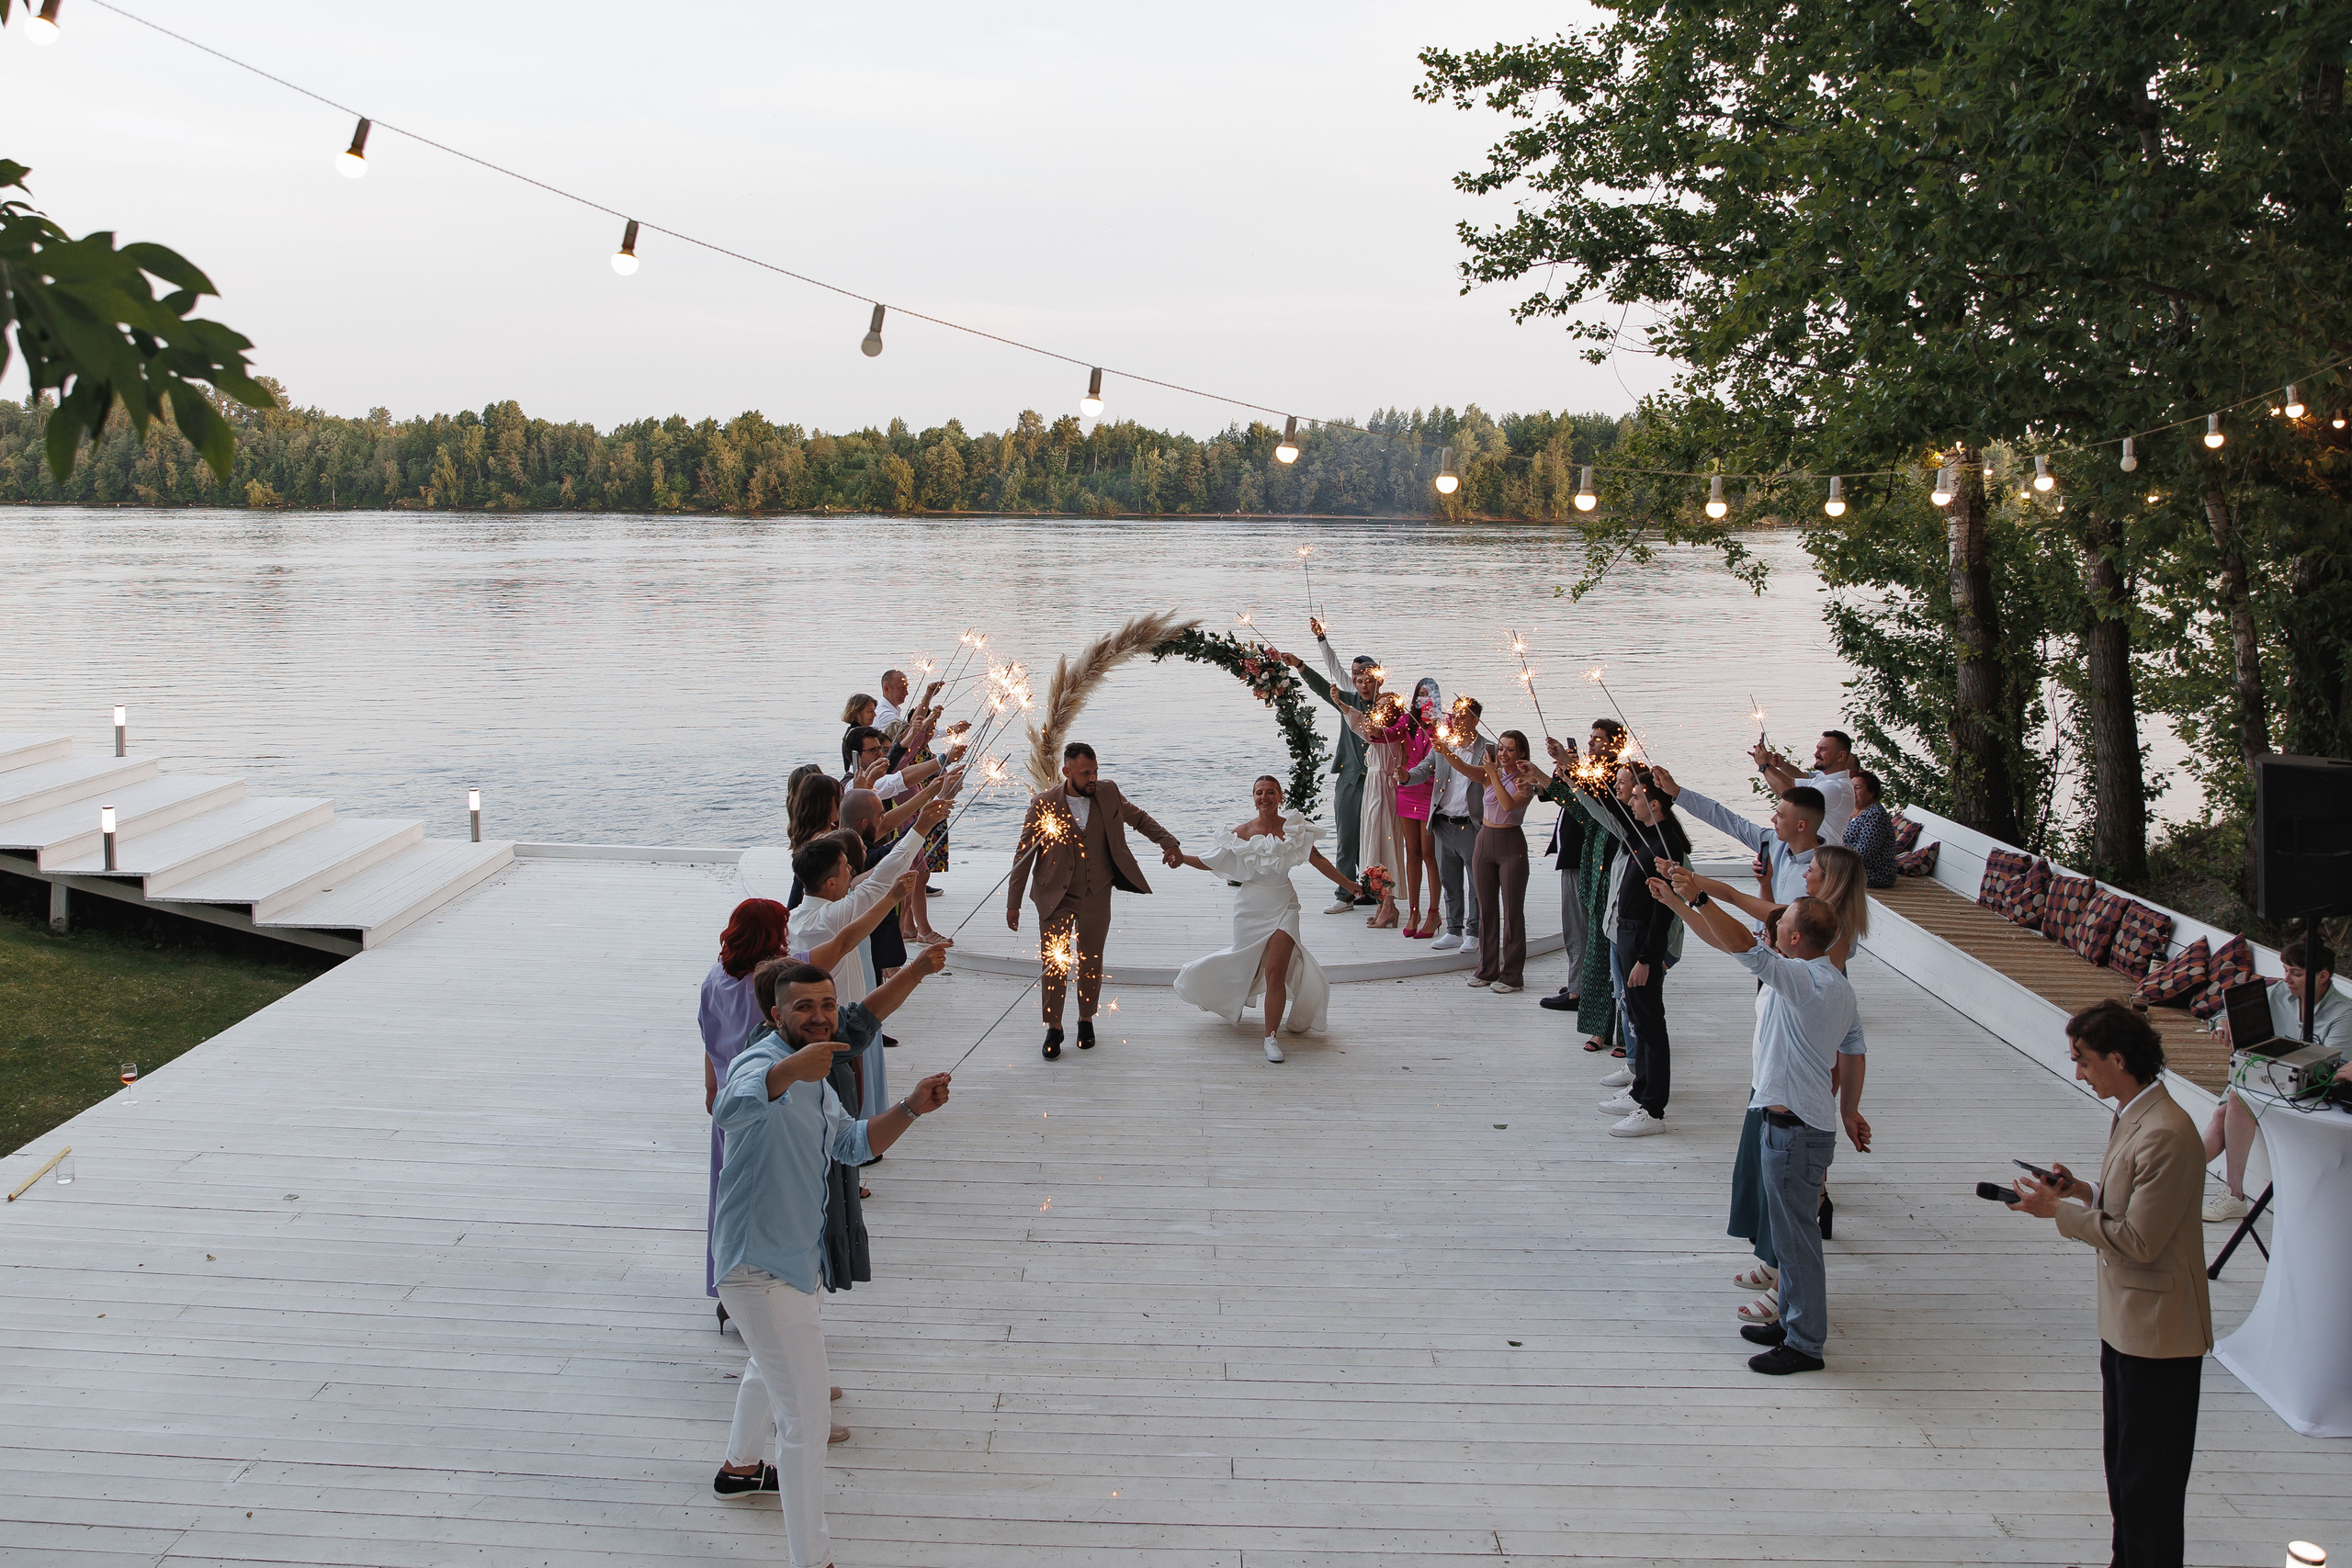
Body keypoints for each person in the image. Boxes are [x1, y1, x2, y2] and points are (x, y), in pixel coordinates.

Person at [707, 958, 953, 1566]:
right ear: (774, 1015)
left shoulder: (818, 1071)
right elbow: (730, 1109)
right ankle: (812, 1558)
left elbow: (851, 1143)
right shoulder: (761, 1063)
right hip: (759, 1268)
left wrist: (913, 1107)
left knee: (771, 1367)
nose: (819, 1016)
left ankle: (738, 1467)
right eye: (803, 1007)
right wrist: (792, 1069)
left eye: (825, 1004)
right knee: (806, 1423)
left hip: (796, 1259)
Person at [2011, 999, 2212, 1568]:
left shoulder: (2168, 1133)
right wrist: (2079, 1192)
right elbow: (2131, 1207)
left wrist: (2057, 1214)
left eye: (2083, 1059)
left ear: (2118, 1059)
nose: (2077, 1071)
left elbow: (2143, 1242)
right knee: (2125, 1470)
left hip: (2160, 1334)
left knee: (2149, 1484)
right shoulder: (2135, 1114)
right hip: (2128, 1323)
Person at [1651, 872, 1868, 1374]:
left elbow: (1741, 944)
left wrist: (1699, 895)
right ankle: (1790, 1320)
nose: (1768, 928)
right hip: (1801, 1126)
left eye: (1779, 923)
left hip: (1795, 1132)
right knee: (1791, 1235)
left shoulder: (1804, 981)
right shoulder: (1832, 983)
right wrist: (1851, 1110)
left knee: (1797, 1243)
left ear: (1795, 939)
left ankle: (1805, 1343)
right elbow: (1853, 1051)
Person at [698, 895, 907, 1314]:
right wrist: (894, 897)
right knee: (779, 1197)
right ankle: (769, 1296)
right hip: (774, 1100)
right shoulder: (782, 981)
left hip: (731, 1099)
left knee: (729, 1200)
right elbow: (847, 939)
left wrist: (713, 1092)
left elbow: (708, 1042)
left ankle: (728, 1294)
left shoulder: (713, 980)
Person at [1007, 742, 1182, 1059]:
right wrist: (1013, 903)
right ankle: (1054, 1026)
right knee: (1055, 962)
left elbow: (1139, 818)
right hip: (1054, 895)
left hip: (1096, 891)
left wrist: (1168, 842)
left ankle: (1086, 1020)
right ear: (1067, 772)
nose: (1092, 777)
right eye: (1085, 772)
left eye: (1095, 770)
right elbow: (1023, 855)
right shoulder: (1043, 803)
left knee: (1091, 960)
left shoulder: (1108, 792)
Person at [1170, 775, 1364, 1061]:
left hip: (1284, 904)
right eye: (1259, 793)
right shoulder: (1242, 832)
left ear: (1280, 796)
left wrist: (1349, 884)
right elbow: (1211, 859)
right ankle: (1210, 984)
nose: (1265, 797)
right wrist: (1181, 857)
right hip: (1250, 908)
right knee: (1244, 964)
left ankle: (1270, 1038)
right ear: (1253, 798)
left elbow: (1318, 859)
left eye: (1270, 792)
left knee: (1275, 972)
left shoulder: (1294, 829)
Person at [793, 784, 951, 1113]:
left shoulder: (797, 917)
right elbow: (881, 879)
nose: (852, 871)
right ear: (831, 883)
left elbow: (873, 880)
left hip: (832, 1022)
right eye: (845, 868)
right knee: (846, 1099)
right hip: (838, 1027)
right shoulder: (829, 919)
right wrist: (920, 828)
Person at [2200, 934, 2348, 1221]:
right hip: (2264, 1076)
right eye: (2285, 971)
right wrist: (2222, 1023)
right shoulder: (2279, 992)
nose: (2287, 979)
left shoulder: (2344, 1013)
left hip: (2309, 1091)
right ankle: (2175, 1178)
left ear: (2323, 976)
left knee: (2237, 1096)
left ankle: (2227, 1192)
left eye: (2296, 973)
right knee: (2226, 1109)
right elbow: (2224, 1011)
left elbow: (2334, 1068)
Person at [1590, 770, 1690, 1136]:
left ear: (1656, 804)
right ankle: (1641, 1088)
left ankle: (1653, 1108)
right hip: (1626, 935)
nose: (1630, 802)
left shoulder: (1667, 847)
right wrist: (1576, 773)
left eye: (1636, 798)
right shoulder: (1642, 833)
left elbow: (1664, 910)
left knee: (1650, 1024)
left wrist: (1648, 959)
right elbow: (1611, 810)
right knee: (1636, 1016)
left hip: (1642, 942)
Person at [1432, 726, 1541, 994]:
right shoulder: (1488, 774)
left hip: (1510, 843)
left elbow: (1508, 805)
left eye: (1510, 749)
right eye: (1501, 748)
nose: (1503, 753)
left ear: (1522, 754)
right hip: (1485, 841)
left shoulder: (1524, 782)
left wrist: (1492, 774)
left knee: (1512, 911)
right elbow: (1464, 768)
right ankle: (1487, 968)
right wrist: (1445, 750)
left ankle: (1513, 975)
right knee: (1487, 909)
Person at [1281, 623, 1377, 911]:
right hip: (1350, 777)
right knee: (1347, 838)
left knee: (1374, 838)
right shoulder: (1347, 700)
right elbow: (1325, 687)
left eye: (1368, 678)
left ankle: (1373, 890)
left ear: (1378, 680)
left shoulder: (1388, 707)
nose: (1362, 682)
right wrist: (1300, 665)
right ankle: (1345, 894)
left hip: (1377, 780)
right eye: (1358, 677)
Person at [1646, 761, 1823, 913]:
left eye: (1781, 816)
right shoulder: (1772, 842)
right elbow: (1727, 820)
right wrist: (1677, 792)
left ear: (1801, 825)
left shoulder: (1825, 870)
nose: (1773, 819)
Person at [1404, 696, 1487, 955]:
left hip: (1471, 824)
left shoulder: (1487, 749)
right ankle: (1453, 930)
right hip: (1443, 822)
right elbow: (1425, 768)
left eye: (1462, 716)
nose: (1456, 720)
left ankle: (1474, 932)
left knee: (1476, 883)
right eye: (1455, 715)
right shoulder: (1442, 745)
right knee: (1449, 880)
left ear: (1474, 719)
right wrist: (1406, 777)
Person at [1368, 678, 1441, 937]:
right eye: (1419, 694)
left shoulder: (1442, 724)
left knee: (1429, 854)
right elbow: (1389, 733)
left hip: (1431, 789)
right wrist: (1376, 731)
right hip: (1407, 787)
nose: (1423, 699)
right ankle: (1413, 910)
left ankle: (1434, 913)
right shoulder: (1409, 720)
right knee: (1412, 852)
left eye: (1428, 694)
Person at [1753, 728, 1859, 840]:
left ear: (1841, 756)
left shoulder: (1836, 788)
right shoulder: (1823, 778)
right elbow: (1791, 782)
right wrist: (1769, 764)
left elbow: (1788, 796)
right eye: (1817, 749)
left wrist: (1764, 766)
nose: (1816, 754)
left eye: (1823, 750)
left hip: (1823, 854)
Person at [1843, 769, 1898, 887]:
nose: (1853, 791)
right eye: (1850, 787)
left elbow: (1863, 853)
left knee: (1822, 874)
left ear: (1871, 793)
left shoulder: (1876, 815)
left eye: (1858, 788)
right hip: (1851, 868)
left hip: (1874, 873)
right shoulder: (1852, 810)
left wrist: (1835, 857)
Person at [872, 668, 910, 738]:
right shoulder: (883, 715)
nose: (906, 693)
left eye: (906, 687)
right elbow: (910, 733)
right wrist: (927, 697)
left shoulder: (893, 710)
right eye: (902, 688)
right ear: (886, 689)